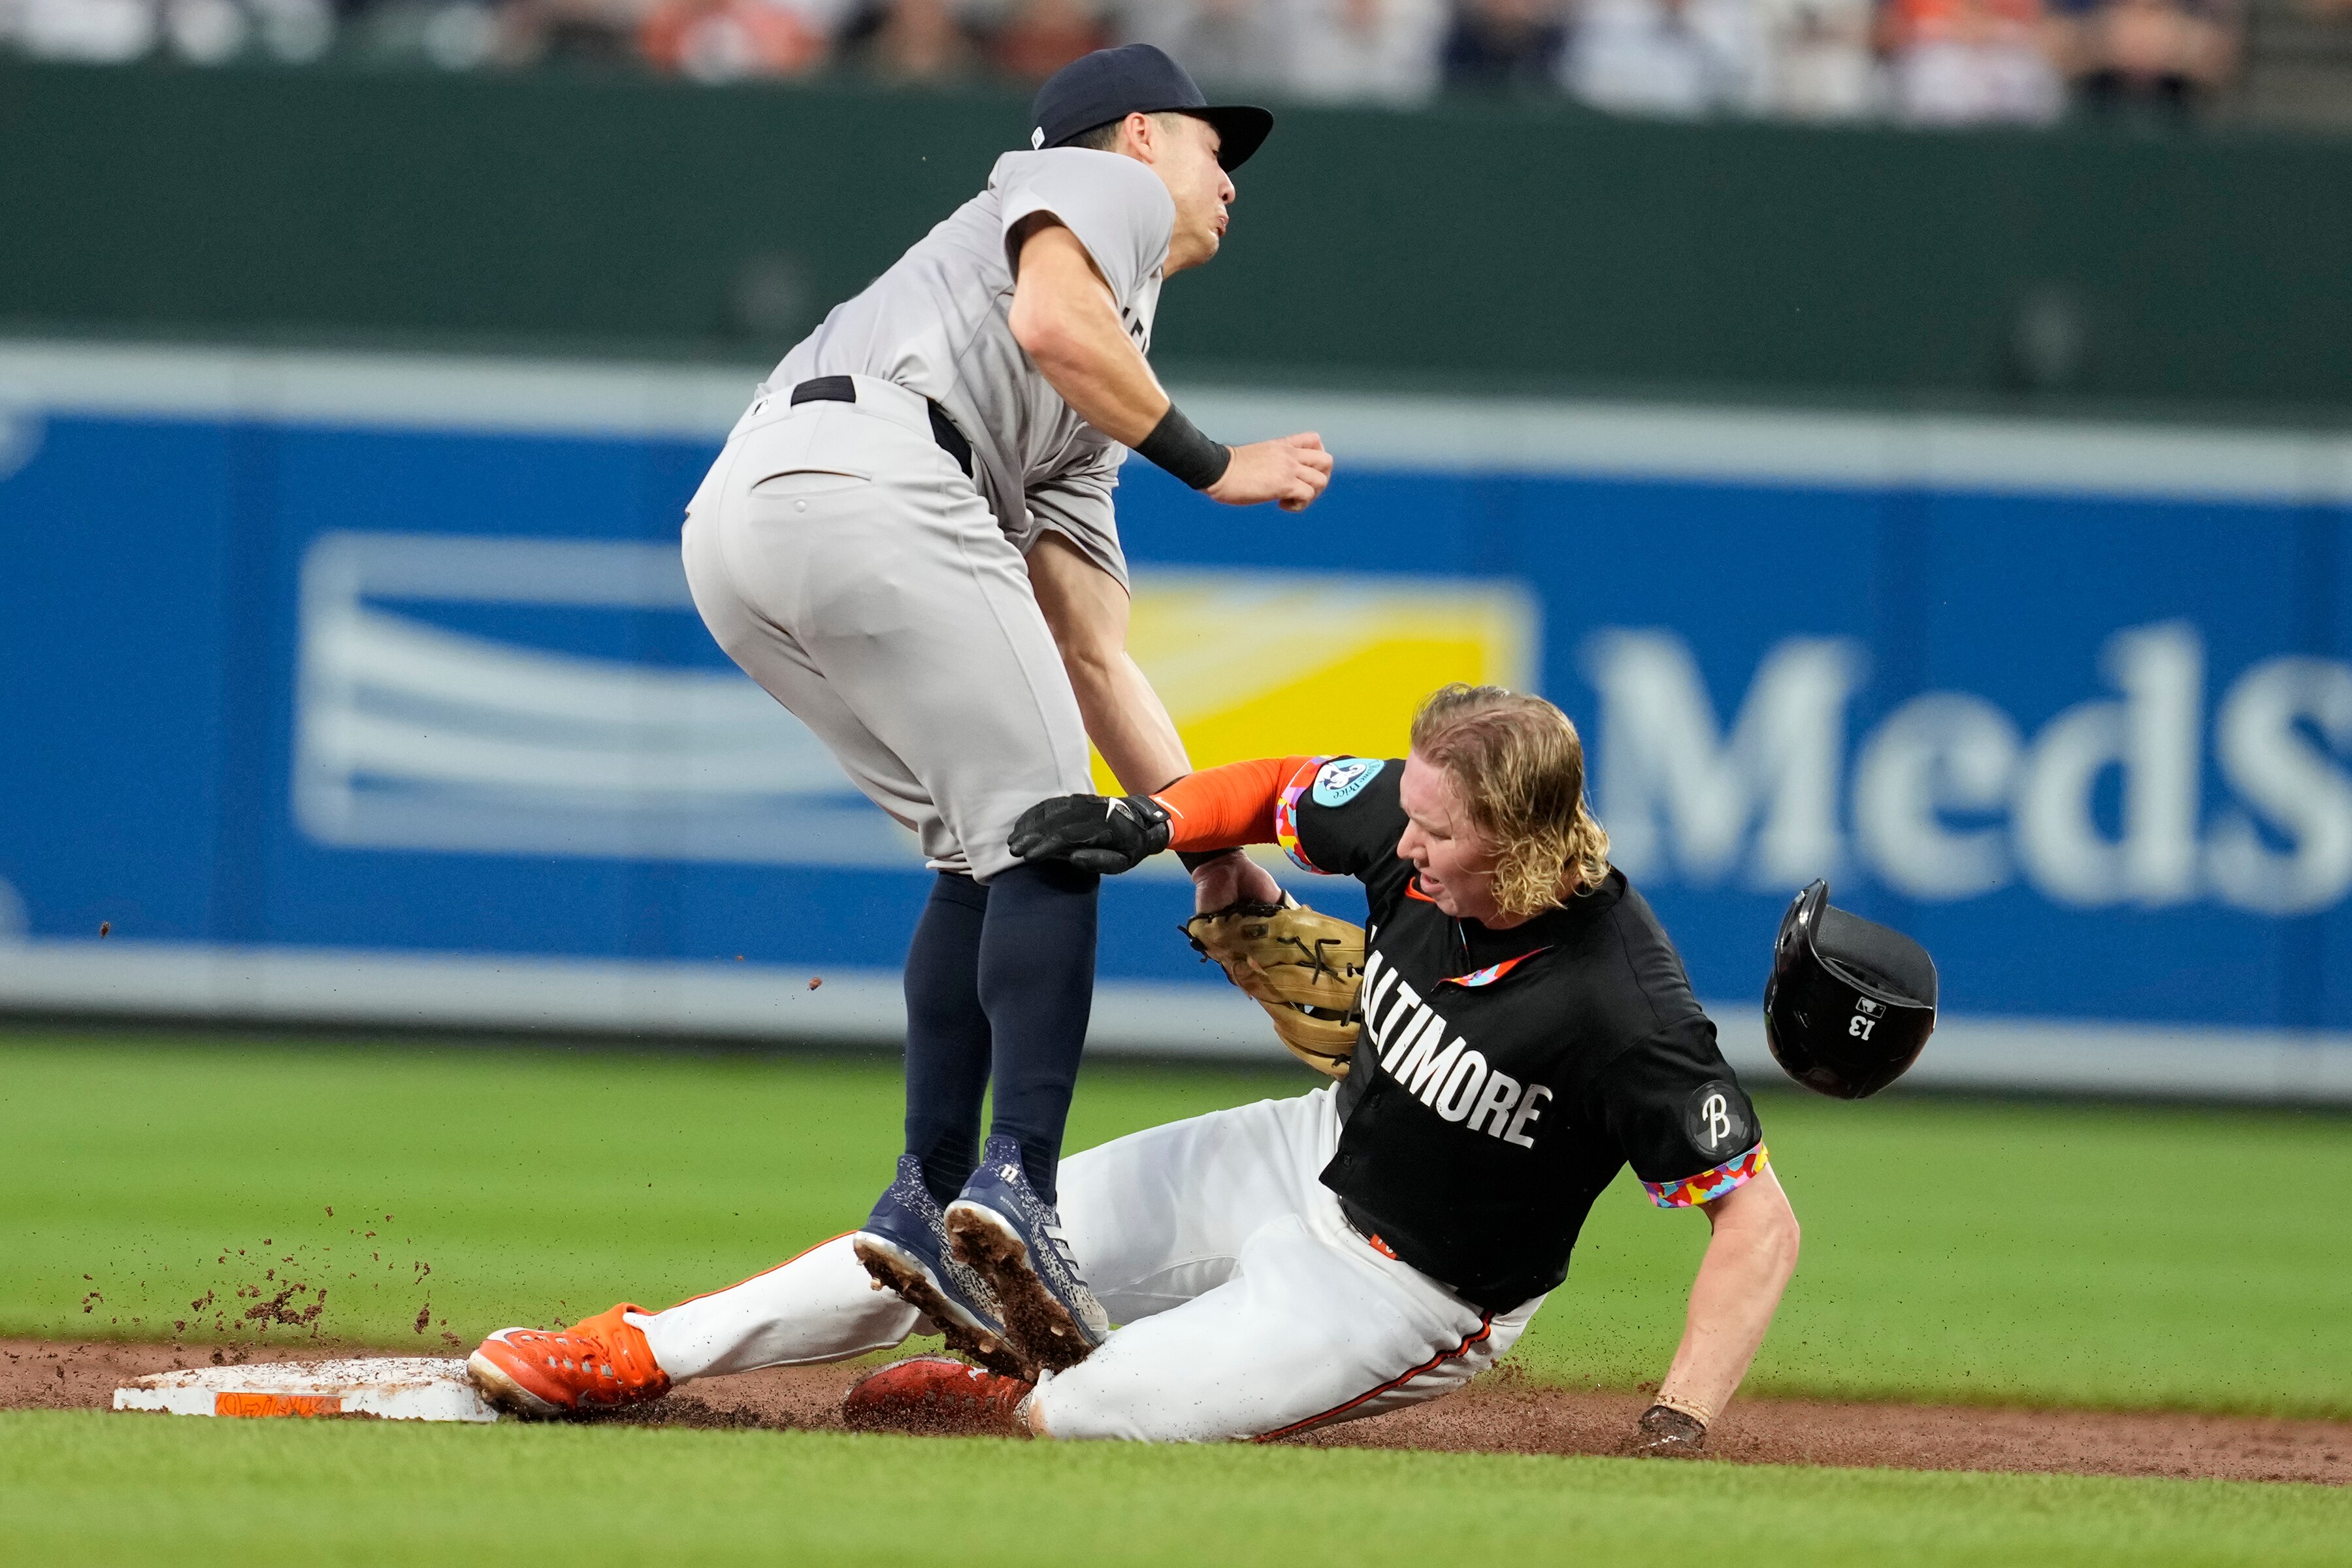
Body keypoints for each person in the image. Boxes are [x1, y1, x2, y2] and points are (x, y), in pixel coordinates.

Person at [518, 42, 1333, 1394]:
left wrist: (1222, 867)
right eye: (1209, 143)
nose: (1226, 175)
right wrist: (1219, 465)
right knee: (1049, 842)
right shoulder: (1097, 193)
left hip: (742, 529)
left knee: (986, 846)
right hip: (885, 476)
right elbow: (1052, 328)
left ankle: (925, 1198)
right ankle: (1018, 1189)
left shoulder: (1091, 392)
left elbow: (1094, 653)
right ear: (1138, 137)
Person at [466, 685, 1804, 1450]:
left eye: (1439, 829)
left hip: (1411, 1295)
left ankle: (1024, 1389)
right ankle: (634, 1350)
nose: (1409, 834)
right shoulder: (1416, 812)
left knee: (1090, 1425)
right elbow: (1280, 787)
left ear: (1515, 841)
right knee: (947, 1239)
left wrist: (1679, 1419)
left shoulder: (1626, 1008)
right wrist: (1149, 821)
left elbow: (1757, 1219)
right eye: (1411, 806)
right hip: (1300, 1150)